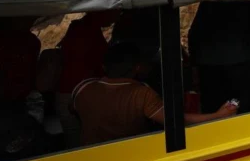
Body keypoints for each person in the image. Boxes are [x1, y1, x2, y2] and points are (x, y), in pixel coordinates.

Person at [72, 43, 237, 146]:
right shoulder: (141, 93)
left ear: (104, 66)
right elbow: (177, 121)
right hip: (130, 156)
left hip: (89, 156)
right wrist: (218, 115)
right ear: (138, 68)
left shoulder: (83, 88)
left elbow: (75, 114)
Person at [188, 0, 250, 114]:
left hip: (208, 64)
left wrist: (194, 64)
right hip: (236, 64)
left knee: (213, 109)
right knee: (240, 107)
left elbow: (194, 33)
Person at [56, 11, 119, 148]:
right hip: (79, 93)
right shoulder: (87, 31)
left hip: (70, 91)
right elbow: (97, 63)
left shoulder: (80, 28)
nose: (116, 16)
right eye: (115, 12)